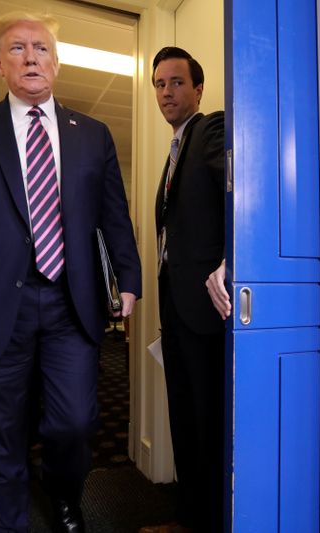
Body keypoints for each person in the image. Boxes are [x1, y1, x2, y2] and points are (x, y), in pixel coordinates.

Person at [0, 12, 141, 533]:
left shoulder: (93, 134)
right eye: (17, 48)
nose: (30, 57)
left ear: (56, 63)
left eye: (40, 48)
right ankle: (4, 523)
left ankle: (63, 491)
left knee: (75, 421)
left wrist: (128, 280)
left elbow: (114, 214)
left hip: (73, 301)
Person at [145, 46, 228, 533]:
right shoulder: (174, 151)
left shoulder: (210, 130)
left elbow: (244, 191)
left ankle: (210, 521)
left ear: (197, 89)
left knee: (206, 425)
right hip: (175, 311)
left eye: (177, 82)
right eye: (159, 84)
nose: (166, 92)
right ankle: (189, 518)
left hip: (206, 309)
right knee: (183, 421)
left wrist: (233, 259)